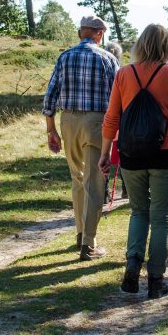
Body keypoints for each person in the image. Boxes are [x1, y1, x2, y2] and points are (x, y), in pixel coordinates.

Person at [99, 24, 168, 299]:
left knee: (138, 211)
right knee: (161, 215)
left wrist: (105, 154)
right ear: (166, 46)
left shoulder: (124, 74)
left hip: (131, 154)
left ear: (140, 45)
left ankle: (132, 263)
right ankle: (156, 278)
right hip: (165, 152)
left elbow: (112, 118)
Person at [43, 15, 120, 261]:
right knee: (94, 183)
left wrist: (51, 129)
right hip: (98, 122)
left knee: (77, 179)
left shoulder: (64, 57)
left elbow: (50, 96)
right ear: (99, 34)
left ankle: (80, 233)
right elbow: (118, 97)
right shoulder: (108, 59)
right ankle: (89, 243)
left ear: (80, 33)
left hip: (69, 121)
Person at [103, 42, 128, 201]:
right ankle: (126, 189)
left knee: (103, 154)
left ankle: (104, 191)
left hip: (104, 118)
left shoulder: (100, 68)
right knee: (123, 154)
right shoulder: (122, 72)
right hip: (120, 117)